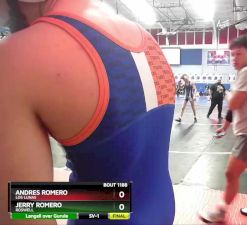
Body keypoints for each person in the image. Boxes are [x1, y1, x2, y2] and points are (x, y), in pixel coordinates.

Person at [0, 1, 176, 225]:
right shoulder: (147, 41)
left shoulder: (14, 58)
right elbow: (120, 197)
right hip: (157, 209)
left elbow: (22, 210)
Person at [198, 36, 247, 223]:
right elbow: (235, 107)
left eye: (239, 53)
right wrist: (225, 126)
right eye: (232, 55)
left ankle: (220, 212)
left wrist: (226, 92)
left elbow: (236, 102)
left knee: (231, 174)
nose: (234, 58)